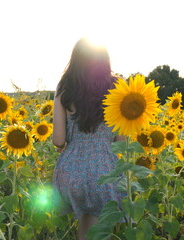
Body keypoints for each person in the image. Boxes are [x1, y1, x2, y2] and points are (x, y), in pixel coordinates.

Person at [52, 38, 126, 240]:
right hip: (105, 169)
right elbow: (122, 143)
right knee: (100, 232)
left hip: (72, 171)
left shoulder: (65, 87)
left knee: (86, 226)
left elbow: (58, 140)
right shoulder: (118, 86)